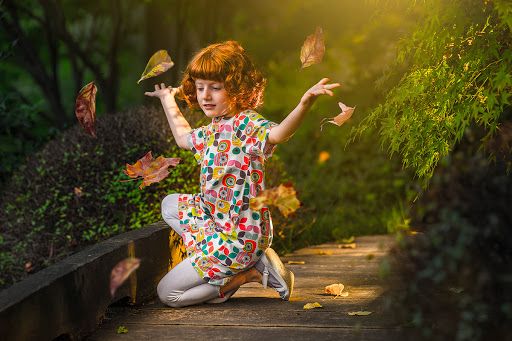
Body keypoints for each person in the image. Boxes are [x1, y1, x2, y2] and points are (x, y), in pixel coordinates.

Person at [145, 40, 340, 308]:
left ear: (237, 89)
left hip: (239, 237)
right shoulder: (213, 128)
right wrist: (168, 99)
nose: (205, 96)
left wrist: (304, 104)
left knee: (168, 294)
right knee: (169, 204)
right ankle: (231, 264)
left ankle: (248, 274)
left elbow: (278, 134)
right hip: (219, 225)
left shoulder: (246, 123)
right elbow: (182, 138)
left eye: (215, 88)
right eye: (200, 88)